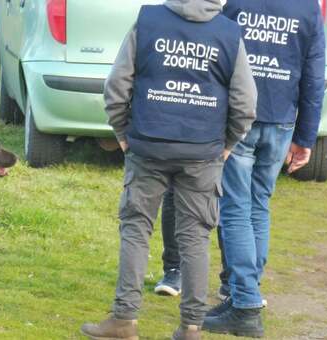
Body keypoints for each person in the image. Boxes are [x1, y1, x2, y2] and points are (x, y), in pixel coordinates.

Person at [80, 0, 257, 338]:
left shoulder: (148, 20)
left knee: (136, 229)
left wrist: (122, 133)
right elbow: (245, 103)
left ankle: (124, 319)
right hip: (202, 153)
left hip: (147, 145)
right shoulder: (229, 33)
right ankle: (191, 326)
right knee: (195, 239)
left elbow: (116, 87)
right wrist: (227, 145)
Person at [155, 0, 326, 337]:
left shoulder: (235, 2)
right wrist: (305, 136)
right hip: (280, 121)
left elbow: (210, 55)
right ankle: (242, 293)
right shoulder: (307, 7)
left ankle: (245, 301)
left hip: (239, 118)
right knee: (258, 207)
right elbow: (314, 74)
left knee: (234, 210)